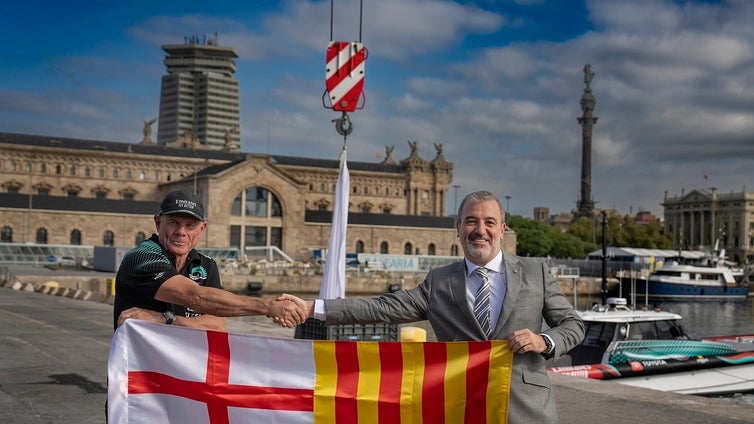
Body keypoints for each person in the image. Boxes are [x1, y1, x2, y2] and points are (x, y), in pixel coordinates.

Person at [286, 190, 584, 423]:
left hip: (525, 410)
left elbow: (574, 325)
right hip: (460, 408)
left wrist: (543, 340)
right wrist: (313, 308)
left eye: (489, 222)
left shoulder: (536, 273)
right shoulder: (439, 281)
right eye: (471, 221)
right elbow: (382, 309)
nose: (480, 230)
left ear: (502, 229)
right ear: (458, 228)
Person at [113, 190, 306, 331]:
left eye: (190, 225)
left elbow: (217, 325)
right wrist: (269, 306)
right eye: (174, 223)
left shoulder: (206, 264)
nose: (181, 232)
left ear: (202, 229)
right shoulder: (142, 256)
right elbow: (196, 297)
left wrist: (164, 320)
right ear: (158, 223)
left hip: (182, 376)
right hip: (138, 376)